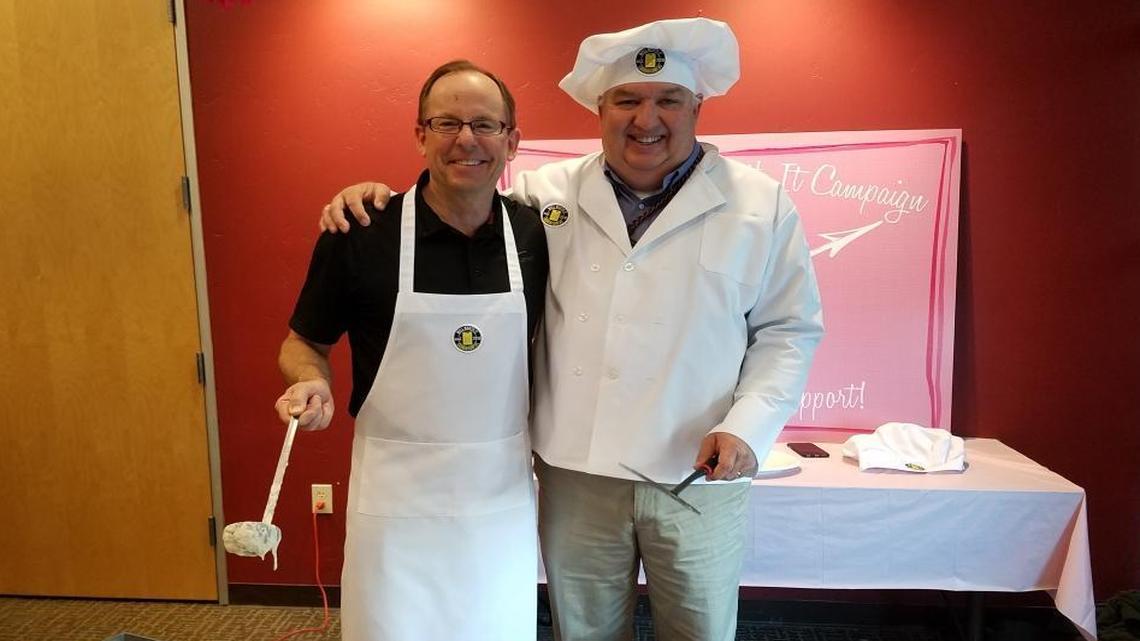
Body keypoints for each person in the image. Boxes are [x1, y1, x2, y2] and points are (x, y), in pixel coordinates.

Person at [319, 19, 823, 641]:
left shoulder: (760, 205)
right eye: (627, 101)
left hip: (695, 472)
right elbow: (454, 194)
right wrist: (373, 199)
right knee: (582, 631)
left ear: (698, 106)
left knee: (699, 630)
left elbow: (788, 330)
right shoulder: (541, 195)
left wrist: (748, 427)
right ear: (600, 110)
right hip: (576, 472)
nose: (647, 119)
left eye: (668, 100)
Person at [275, 60, 548, 641]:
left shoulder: (537, 233)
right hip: (395, 508)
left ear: (512, 141)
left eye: (485, 124)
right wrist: (312, 381)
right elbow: (303, 343)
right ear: (419, 135)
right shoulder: (361, 232)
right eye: (446, 123)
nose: (466, 140)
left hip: (496, 505)